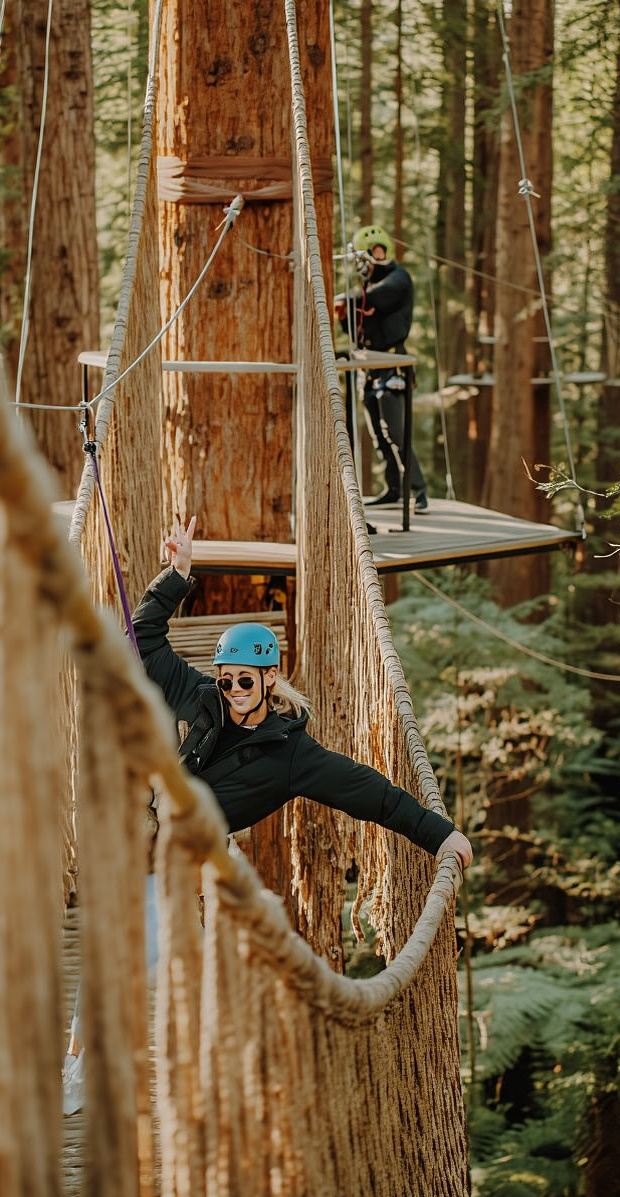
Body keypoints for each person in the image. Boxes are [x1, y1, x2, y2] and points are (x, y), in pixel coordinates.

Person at [133, 515, 473, 871]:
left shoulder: (290, 754)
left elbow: (370, 793)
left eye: (245, 680)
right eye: (226, 680)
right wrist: (177, 574)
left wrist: (440, 835)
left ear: (269, 678)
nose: (234, 690)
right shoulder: (198, 693)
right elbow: (142, 638)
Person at [336, 225, 429, 512]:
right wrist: (347, 310)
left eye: (366, 259)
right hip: (371, 368)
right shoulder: (368, 289)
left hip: (392, 368)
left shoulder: (399, 280)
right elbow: (356, 326)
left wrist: (347, 301)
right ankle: (393, 488)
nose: (363, 267)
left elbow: (377, 298)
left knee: (396, 433)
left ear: (378, 253)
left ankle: (419, 489)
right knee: (378, 435)